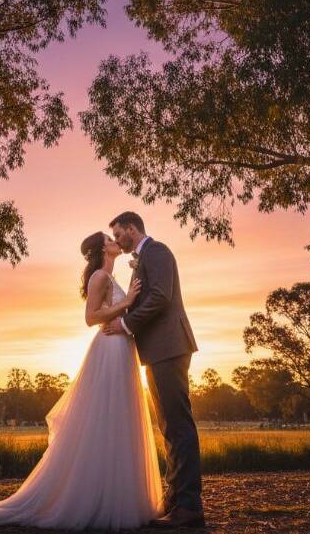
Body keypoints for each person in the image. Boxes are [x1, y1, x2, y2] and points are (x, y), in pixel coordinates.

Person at [0, 230, 162, 531]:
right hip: (109, 348)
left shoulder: (110, 276)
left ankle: (116, 495)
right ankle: (92, 499)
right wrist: (127, 302)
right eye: (109, 238)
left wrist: (128, 301)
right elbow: (91, 318)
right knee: (104, 419)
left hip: (122, 347)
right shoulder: (98, 278)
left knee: (119, 419)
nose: (115, 241)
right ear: (101, 249)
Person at [101, 211, 204, 527]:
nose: (117, 241)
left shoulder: (157, 251)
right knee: (169, 427)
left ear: (132, 228)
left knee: (179, 425)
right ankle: (176, 500)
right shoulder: (142, 259)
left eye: (119, 234)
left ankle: (189, 507)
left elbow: (161, 296)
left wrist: (126, 324)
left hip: (169, 348)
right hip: (157, 351)